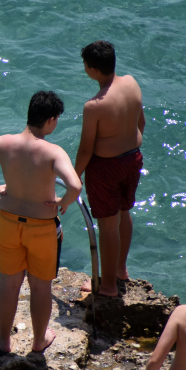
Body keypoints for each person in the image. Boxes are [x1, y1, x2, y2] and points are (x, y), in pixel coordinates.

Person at [0, 91, 82, 353]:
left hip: (7, 222)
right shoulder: (53, 152)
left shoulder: (5, 143)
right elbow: (75, 185)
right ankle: (38, 341)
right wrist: (63, 202)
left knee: (9, 283)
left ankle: (4, 342)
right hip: (41, 228)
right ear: (50, 120)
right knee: (40, 287)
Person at [74, 40, 145, 297]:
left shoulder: (94, 106)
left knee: (107, 225)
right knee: (124, 213)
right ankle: (120, 270)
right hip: (133, 158)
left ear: (91, 69)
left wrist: (74, 177)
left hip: (106, 167)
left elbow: (85, 149)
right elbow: (141, 122)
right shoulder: (132, 83)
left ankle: (107, 286)